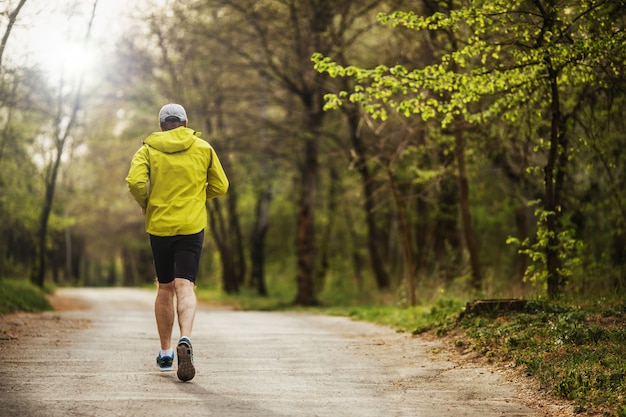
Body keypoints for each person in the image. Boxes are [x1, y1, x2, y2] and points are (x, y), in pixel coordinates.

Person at [126, 103, 229, 382]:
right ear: (185, 124)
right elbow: (221, 186)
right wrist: (195, 198)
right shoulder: (203, 147)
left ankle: (166, 354)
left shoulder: (147, 149)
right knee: (185, 286)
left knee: (165, 287)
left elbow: (135, 182)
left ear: (161, 127)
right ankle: (185, 338)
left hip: (160, 226)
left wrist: (147, 202)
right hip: (191, 225)